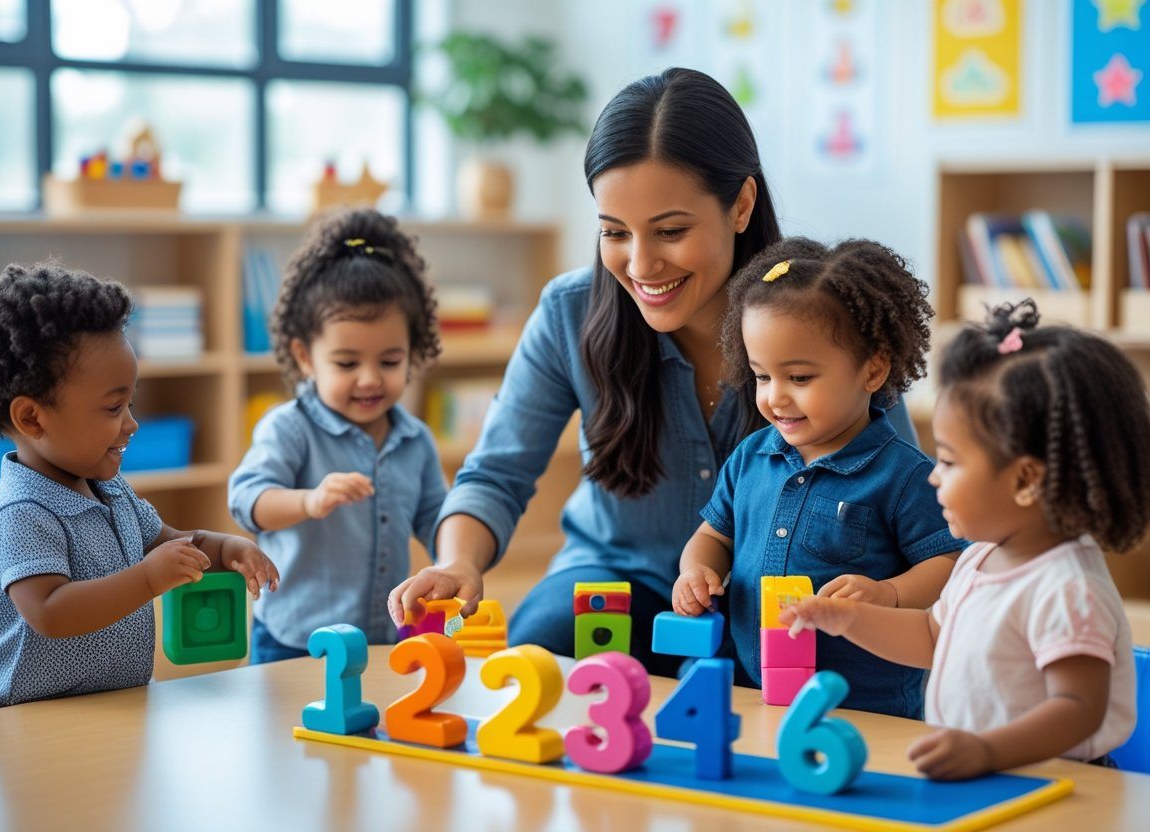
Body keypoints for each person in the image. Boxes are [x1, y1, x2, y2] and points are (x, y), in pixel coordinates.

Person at [387, 67, 919, 676]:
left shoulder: (833, 317)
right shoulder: (569, 312)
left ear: (741, 204)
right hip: (615, 582)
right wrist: (460, 563)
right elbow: (496, 474)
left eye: (670, 231)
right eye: (615, 232)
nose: (640, 264)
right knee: (539, 655)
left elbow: (903, 491)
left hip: (776, 603)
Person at [781, 299, 1147, 777]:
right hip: (989, 779)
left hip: (1061, 784)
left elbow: (1079, 708)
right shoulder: (982, 559)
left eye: (949, 462)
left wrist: (988, 751)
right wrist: (849, 619)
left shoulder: (1067, 587)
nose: (934, 477)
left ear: (1025, 480)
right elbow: (934, 635)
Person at [0, 262, 279, 712]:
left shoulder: (111, 492)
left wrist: (225, 549)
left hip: (112, 705)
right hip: (23, 719)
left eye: (131, 403)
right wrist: (147, 578)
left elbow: (174, 545)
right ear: (31, 418)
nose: (132, 423)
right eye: (113, 408)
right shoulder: (19, 513)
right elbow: (50, 611)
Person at [671, 237, 965, 717]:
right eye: (763, 377)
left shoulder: (903, 475)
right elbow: (713, 535)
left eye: (800, 378)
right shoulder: (751, 458)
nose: (775, 398)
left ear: (873, 371)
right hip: (754, 688)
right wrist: (696, 571)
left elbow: (950, 565)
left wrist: (889, 594)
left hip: (866, 705)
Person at [229, 209, 447, 661]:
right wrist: (309, 501)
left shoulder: (416, 440)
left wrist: (456, 561)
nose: (369, 379)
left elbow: (437, 520)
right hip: (295, 640)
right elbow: (248, 501)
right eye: (347, 364)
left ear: (413, 352)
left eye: (389, 362)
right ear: (305, 357)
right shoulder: (289, 427)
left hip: (383, 638)